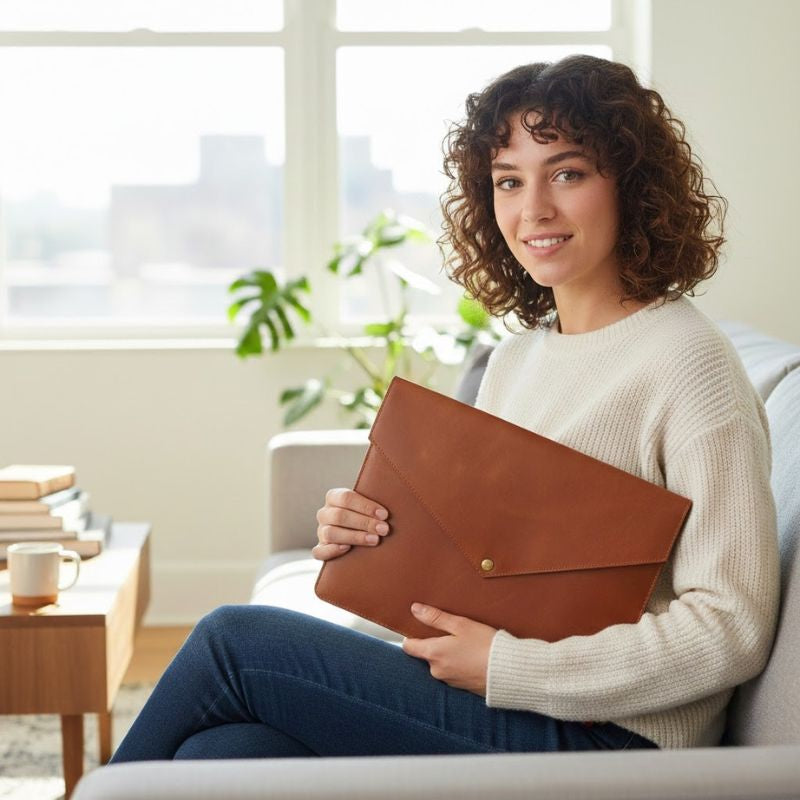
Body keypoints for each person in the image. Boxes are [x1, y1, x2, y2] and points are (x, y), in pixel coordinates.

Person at [110, 55, 780, 761]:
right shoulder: (520, 359)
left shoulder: (690, 363)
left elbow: (731, 626)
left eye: (568, 173)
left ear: (633, 186)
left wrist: (506, 667)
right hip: (493, 703)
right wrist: (375, 538)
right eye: (509, 182)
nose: (535, 210)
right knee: (224, 756)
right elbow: (490, 567)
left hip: (607, 739)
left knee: (231, 642)